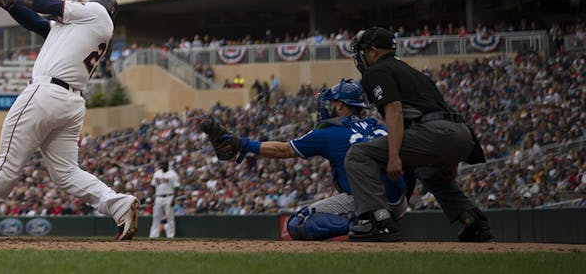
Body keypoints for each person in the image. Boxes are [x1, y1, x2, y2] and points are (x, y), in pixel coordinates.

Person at [0, 0, 139, 240]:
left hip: (45, 94)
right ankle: (118, 204)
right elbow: (35, 22)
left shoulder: (97, 13)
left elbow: (48, 4)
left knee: (9, 162)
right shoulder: (78, 29)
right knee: (66, 174)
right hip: (70, 103)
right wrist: (7, 4)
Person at [202, 79, 410, 240]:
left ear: (340, 105)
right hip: (398, 200)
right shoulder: (379, 126)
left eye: (331, 103)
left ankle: (365, 224)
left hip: (367, 202)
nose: (327, 107)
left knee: (298, 223)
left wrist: (241, 144)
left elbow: (283, 150)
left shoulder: (330, 132)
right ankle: (378, 221)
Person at [344, 27, 492, 243]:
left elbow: (394, 108)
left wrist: (394, 155)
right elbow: (446, 113)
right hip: (461, 135)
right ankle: (473, 221)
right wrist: (451, 162)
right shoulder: (413, 73)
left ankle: (380, 221)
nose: (362, 57)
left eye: (364, 52)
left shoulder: (376, 72)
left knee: (358, 155)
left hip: (435, 133)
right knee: (429, 172)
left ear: (373, 51)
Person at [149, 159, 180, 238]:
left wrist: (174, 198)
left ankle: (170, 236)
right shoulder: (157, 173)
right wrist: (152, 197)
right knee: (156, 217)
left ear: (167, 164)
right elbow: (152, 186)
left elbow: (176, 187)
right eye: (161, 164)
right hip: (158, 197)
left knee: (170, 218)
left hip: (169, 196)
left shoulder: (172, 174)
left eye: (164, 164)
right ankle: (153, 236)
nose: (162, 166)